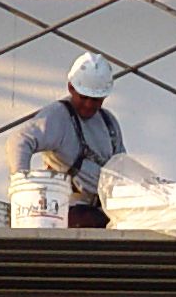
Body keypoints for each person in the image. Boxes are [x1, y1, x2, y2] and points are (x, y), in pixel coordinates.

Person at [8, 52, 123, 228]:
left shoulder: (109, 123)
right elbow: (19, 141)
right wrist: (23, 190)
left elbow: (122, 169)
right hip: (67, 212)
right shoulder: (59, 116)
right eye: (84, 97)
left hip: (104, 213)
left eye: (96, 100)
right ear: (71, 88)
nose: (89, 105)